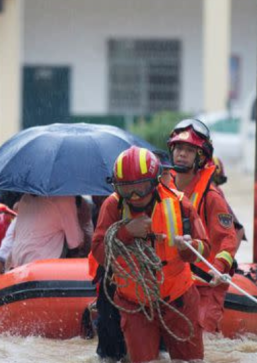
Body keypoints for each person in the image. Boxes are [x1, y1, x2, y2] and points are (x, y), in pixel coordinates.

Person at [91, 146, 210, 363]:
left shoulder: (181, 205)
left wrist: (189, 248)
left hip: (179, 300)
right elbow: (99, 251)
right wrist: (126, 232)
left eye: (141, 188)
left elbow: (205, 248)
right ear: (118, 187)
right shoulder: (112, 206)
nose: (135, 196)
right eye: (128, 190)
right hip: (135, 304)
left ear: (155, 182)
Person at [166, 119, 245, 333]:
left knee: (202, 336)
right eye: (179, 148)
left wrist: (217, 270)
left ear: (200, 157)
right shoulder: (163, 189)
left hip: (207, 284)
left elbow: (228, 239)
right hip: (174, 281)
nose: (182, 154)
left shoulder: (212, 196)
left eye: (189, 150)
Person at [7, 194, 84, 269]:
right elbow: (76, 243)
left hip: (17, 264)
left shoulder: (25, 198)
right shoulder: (65, 199)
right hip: (42, 268)